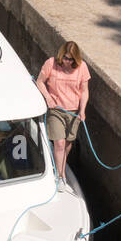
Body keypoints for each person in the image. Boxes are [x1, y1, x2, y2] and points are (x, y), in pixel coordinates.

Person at [36, 41, 91, 190]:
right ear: (61, 55)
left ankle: (60, 165)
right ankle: (60, 176)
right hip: (56, 110)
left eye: (72, 59)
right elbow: (40, 82)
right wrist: (48, 98)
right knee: (59, 143)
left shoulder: (82, 67)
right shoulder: (51, 63)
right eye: (66, 58)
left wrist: (82, 110)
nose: (68, 62)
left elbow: (85, 91)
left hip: (73, 112)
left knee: (67, 144)